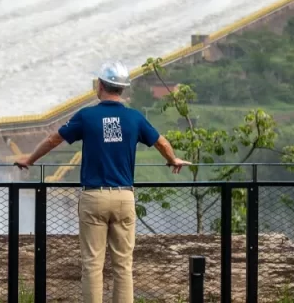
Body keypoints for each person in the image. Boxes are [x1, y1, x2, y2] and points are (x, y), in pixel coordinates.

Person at [14, 61, 191, 303]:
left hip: (94, 197)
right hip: (123, 197)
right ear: (123, 90)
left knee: (92, 265)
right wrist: (173, 159)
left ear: (100, 86)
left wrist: (30, 159)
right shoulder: (135, 118)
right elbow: (161, 142)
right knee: (123, 266)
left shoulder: (87, 116)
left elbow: (54, 138)